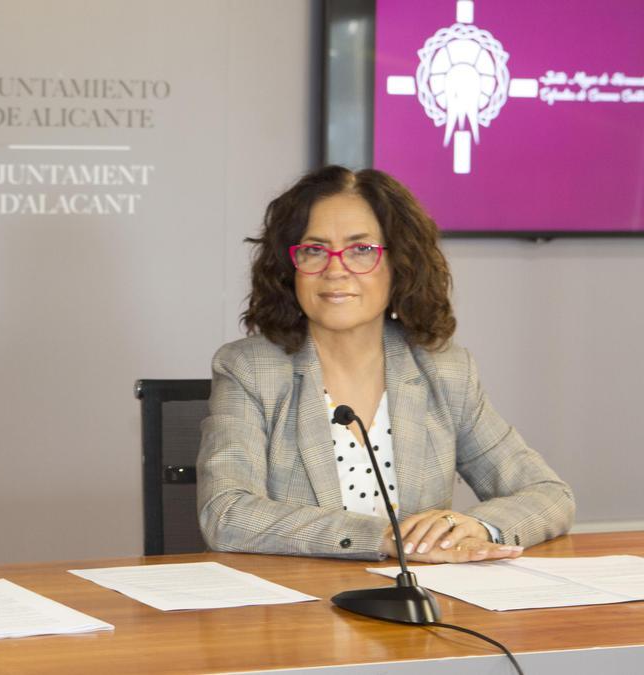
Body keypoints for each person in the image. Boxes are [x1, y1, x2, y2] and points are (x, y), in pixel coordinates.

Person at [197, 165, 574, 563]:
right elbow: (226, 513)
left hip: (420, 607)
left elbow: (550, 495)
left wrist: (476, 526)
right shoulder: (250, 370)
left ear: (400, 267)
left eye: (362, 250)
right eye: (314, 250)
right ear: (291, 269)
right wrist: (383, 538)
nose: (335, 268)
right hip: (297, 610)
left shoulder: (444, 371)